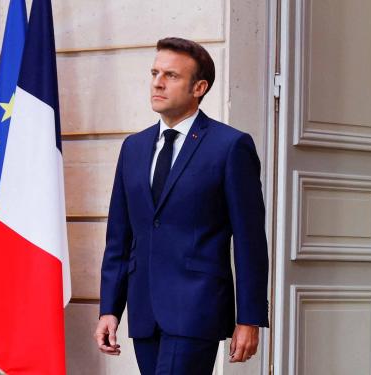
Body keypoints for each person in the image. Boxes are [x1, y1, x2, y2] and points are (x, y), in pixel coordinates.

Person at [94, 37, 269, 374]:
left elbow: (250, 242)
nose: (158, 82)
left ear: (199, 87)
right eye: (155, 72)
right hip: (144, 311)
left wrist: (249, 318)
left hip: (196, 308)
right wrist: (109, 309)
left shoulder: (230, 147)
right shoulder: (133, 147)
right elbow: (119, 238)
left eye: (171, 75)